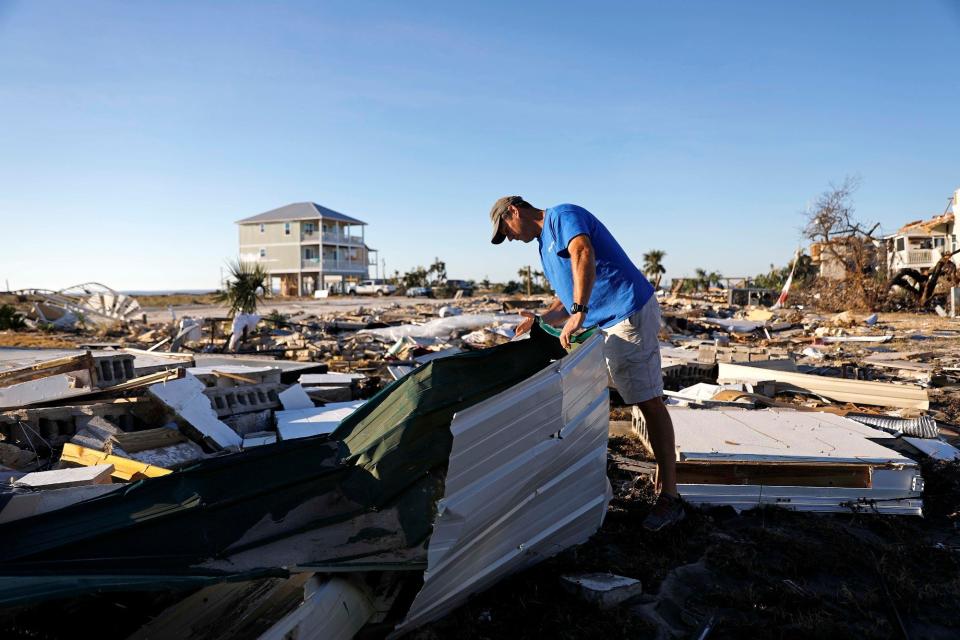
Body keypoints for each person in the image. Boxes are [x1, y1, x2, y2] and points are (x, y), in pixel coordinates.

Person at [489, 195, 684, 531]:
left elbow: (583, 253)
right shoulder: (544, 246)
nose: (509, 238)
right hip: (604, 322)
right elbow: (564, 297)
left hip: (626, 311)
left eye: (505, 229)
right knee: (613, 397)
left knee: (648, 401)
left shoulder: (562, 217)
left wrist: (579, 312)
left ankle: (670, 496)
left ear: (514, 211)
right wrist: (540, 319)